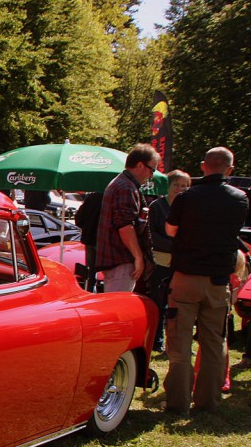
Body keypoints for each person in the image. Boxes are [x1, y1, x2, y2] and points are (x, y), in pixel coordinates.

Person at [163, 147, 249, 414]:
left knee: (180, 342)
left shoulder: (187, 197)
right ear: (230, 170)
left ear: (203, 166)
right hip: (218, 282)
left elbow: (170, 230)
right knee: (214, 344)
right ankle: (208, 402)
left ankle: (178, 403)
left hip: (186, 278)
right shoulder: (240, 198)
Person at [94, 144, 160, 292]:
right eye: (152, 169)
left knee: (116, 308)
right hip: (121, 261)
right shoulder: (126, 187)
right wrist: (138, 257)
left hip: (116, 261)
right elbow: (125, 226)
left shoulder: (122, 183)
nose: (152, 175)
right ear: (140, 165)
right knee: (118, 311)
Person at [147, 170, 191, 350]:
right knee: (159, 302)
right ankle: (157, 341)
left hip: (183, 263)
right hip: (161, 261)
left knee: (181, 305)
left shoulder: (190, 206)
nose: (180, 189)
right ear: (168, 186)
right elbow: (151, 234)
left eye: (184, 186)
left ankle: (178, 342)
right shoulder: (158, 206)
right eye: (176, 185)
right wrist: (175, 245)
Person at [73, 191, 103, 291]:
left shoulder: (91, 197)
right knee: (109, 272)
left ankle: (90, 292)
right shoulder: (110, 197)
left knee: (91, 272)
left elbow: (79, 218)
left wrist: (86, 228)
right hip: (102, 241)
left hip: (89, 238)